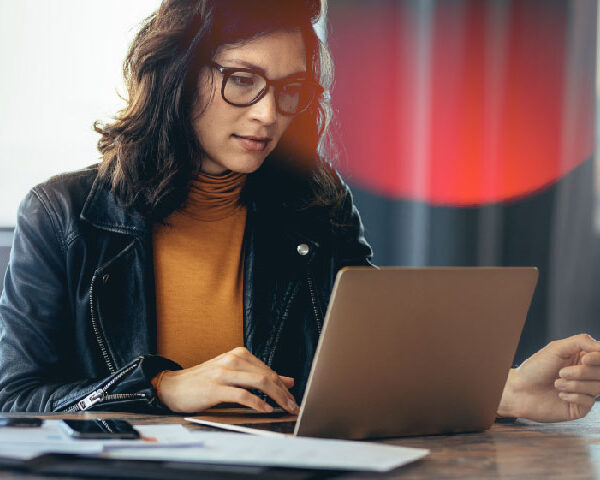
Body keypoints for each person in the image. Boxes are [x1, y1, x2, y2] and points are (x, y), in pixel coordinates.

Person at [0, 0, 599, 423]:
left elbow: (377, 369)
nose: (268, 114)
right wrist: (161, 387)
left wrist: (507, 391)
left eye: (290, 90)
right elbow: (14, 399)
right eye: (241, 80)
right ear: (175, 78)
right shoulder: (63, 214)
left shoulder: (317, 203)